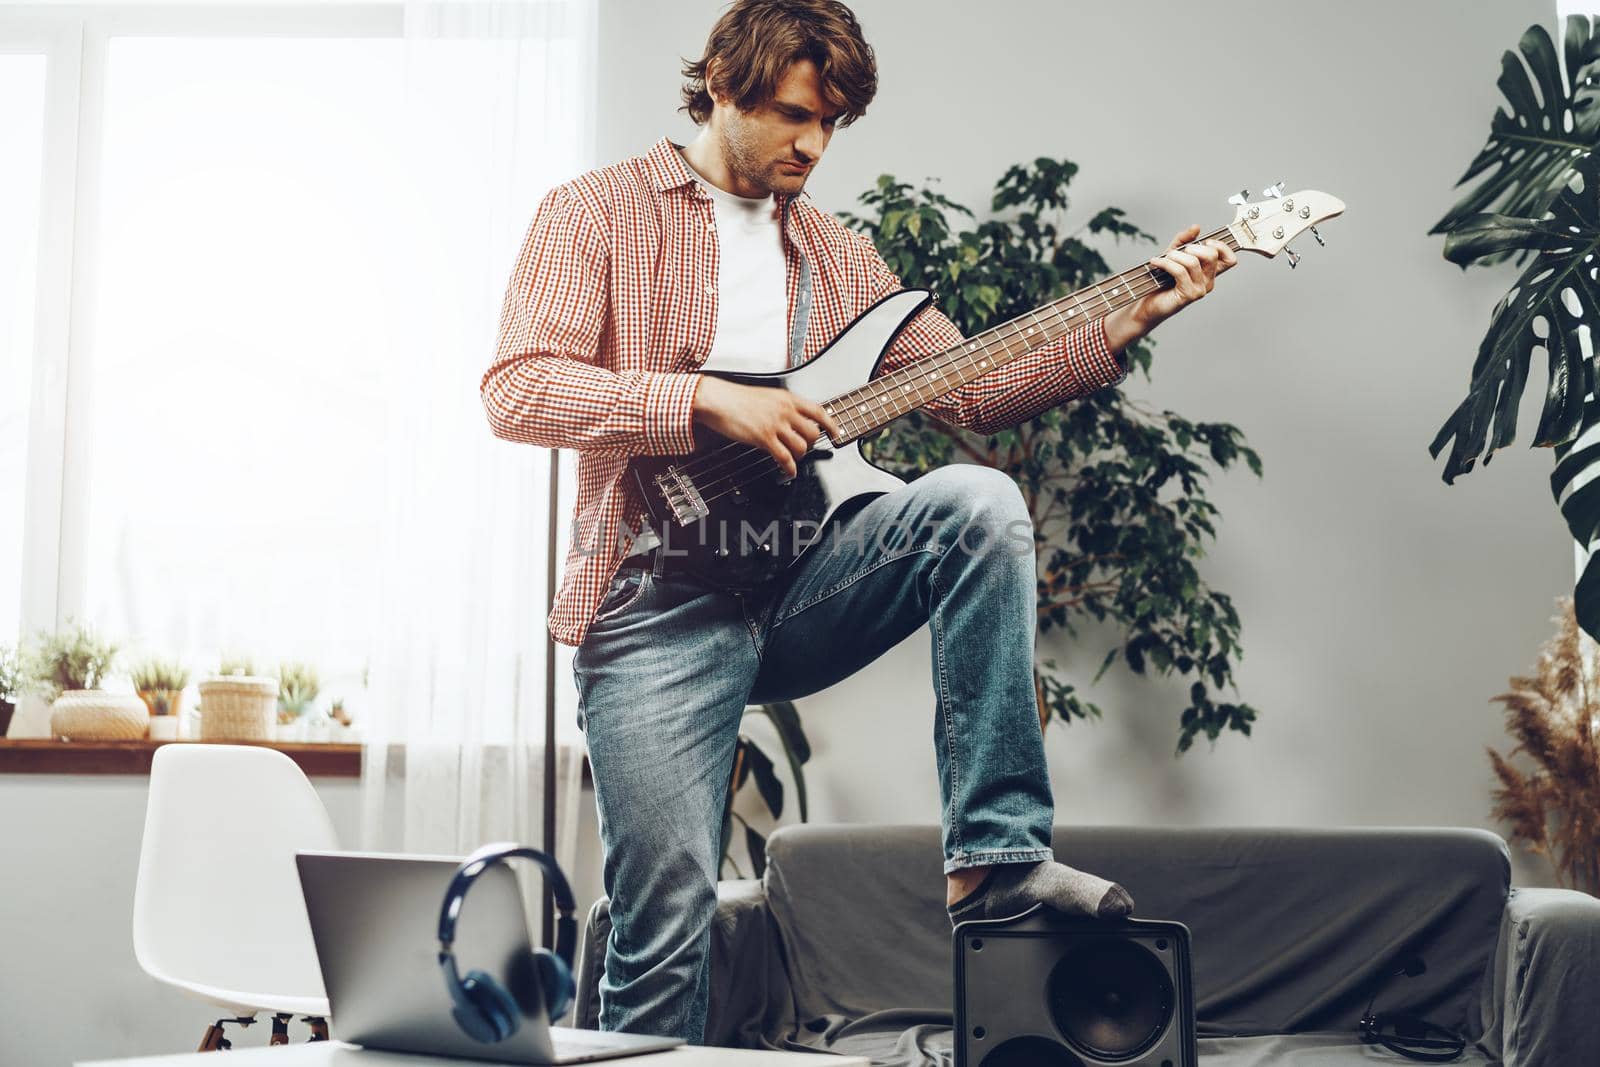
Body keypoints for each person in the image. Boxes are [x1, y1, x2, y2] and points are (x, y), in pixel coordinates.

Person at [480, 0, 1235, 1045]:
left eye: (832, 124)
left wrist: (1119, 323)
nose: (812, 145)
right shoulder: (595, 213)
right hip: (656, 609)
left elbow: (972, 387)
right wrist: (701, 396)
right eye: (794, 115)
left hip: (798, 592)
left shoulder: (836, 255)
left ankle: (994, 860)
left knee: (980, 503)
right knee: (663, 931)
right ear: (726, 87)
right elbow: (518, 391)